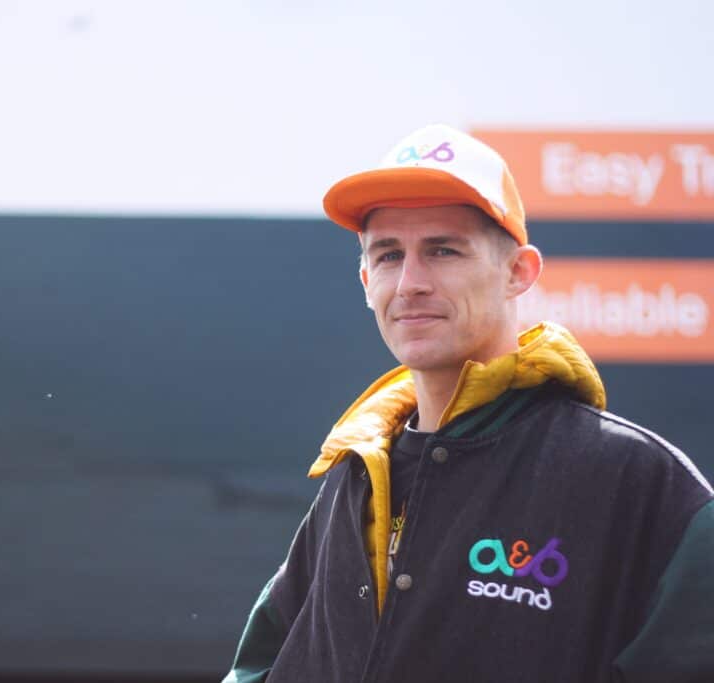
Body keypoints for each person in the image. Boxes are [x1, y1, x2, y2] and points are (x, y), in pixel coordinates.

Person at [222, 124, 714, 682]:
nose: (410, 282)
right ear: (365, 280)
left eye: (443, 250)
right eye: (388, 255)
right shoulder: (355, 476)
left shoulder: (642, 484)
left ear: (519, 272)